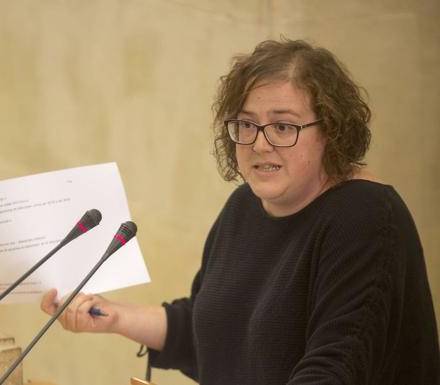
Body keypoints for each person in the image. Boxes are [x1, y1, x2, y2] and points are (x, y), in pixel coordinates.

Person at [41, 39, 440, 384]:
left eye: (283, 127)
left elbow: (335, 370)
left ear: (331, 131)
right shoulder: (244, 207)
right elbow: (216, 333)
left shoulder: (364, 216)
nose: (260, 144)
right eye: (246, 125)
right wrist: (114, 316)